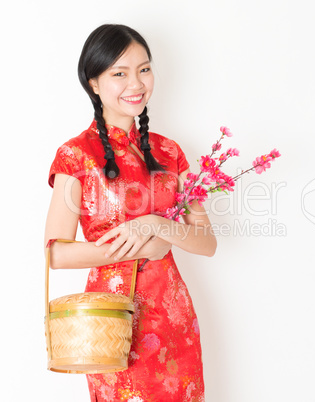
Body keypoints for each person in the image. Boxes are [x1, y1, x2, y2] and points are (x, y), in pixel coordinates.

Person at [44, 23, 216, 402]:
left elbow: (206, 243)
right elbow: (55, 252)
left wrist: (158, 226)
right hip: (112, 324)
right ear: (93, 82)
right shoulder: (76, 155)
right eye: (119, 73)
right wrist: (142, 247)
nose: (136, 83)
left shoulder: (170, 152)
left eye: (144, 69)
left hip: (174, 319)